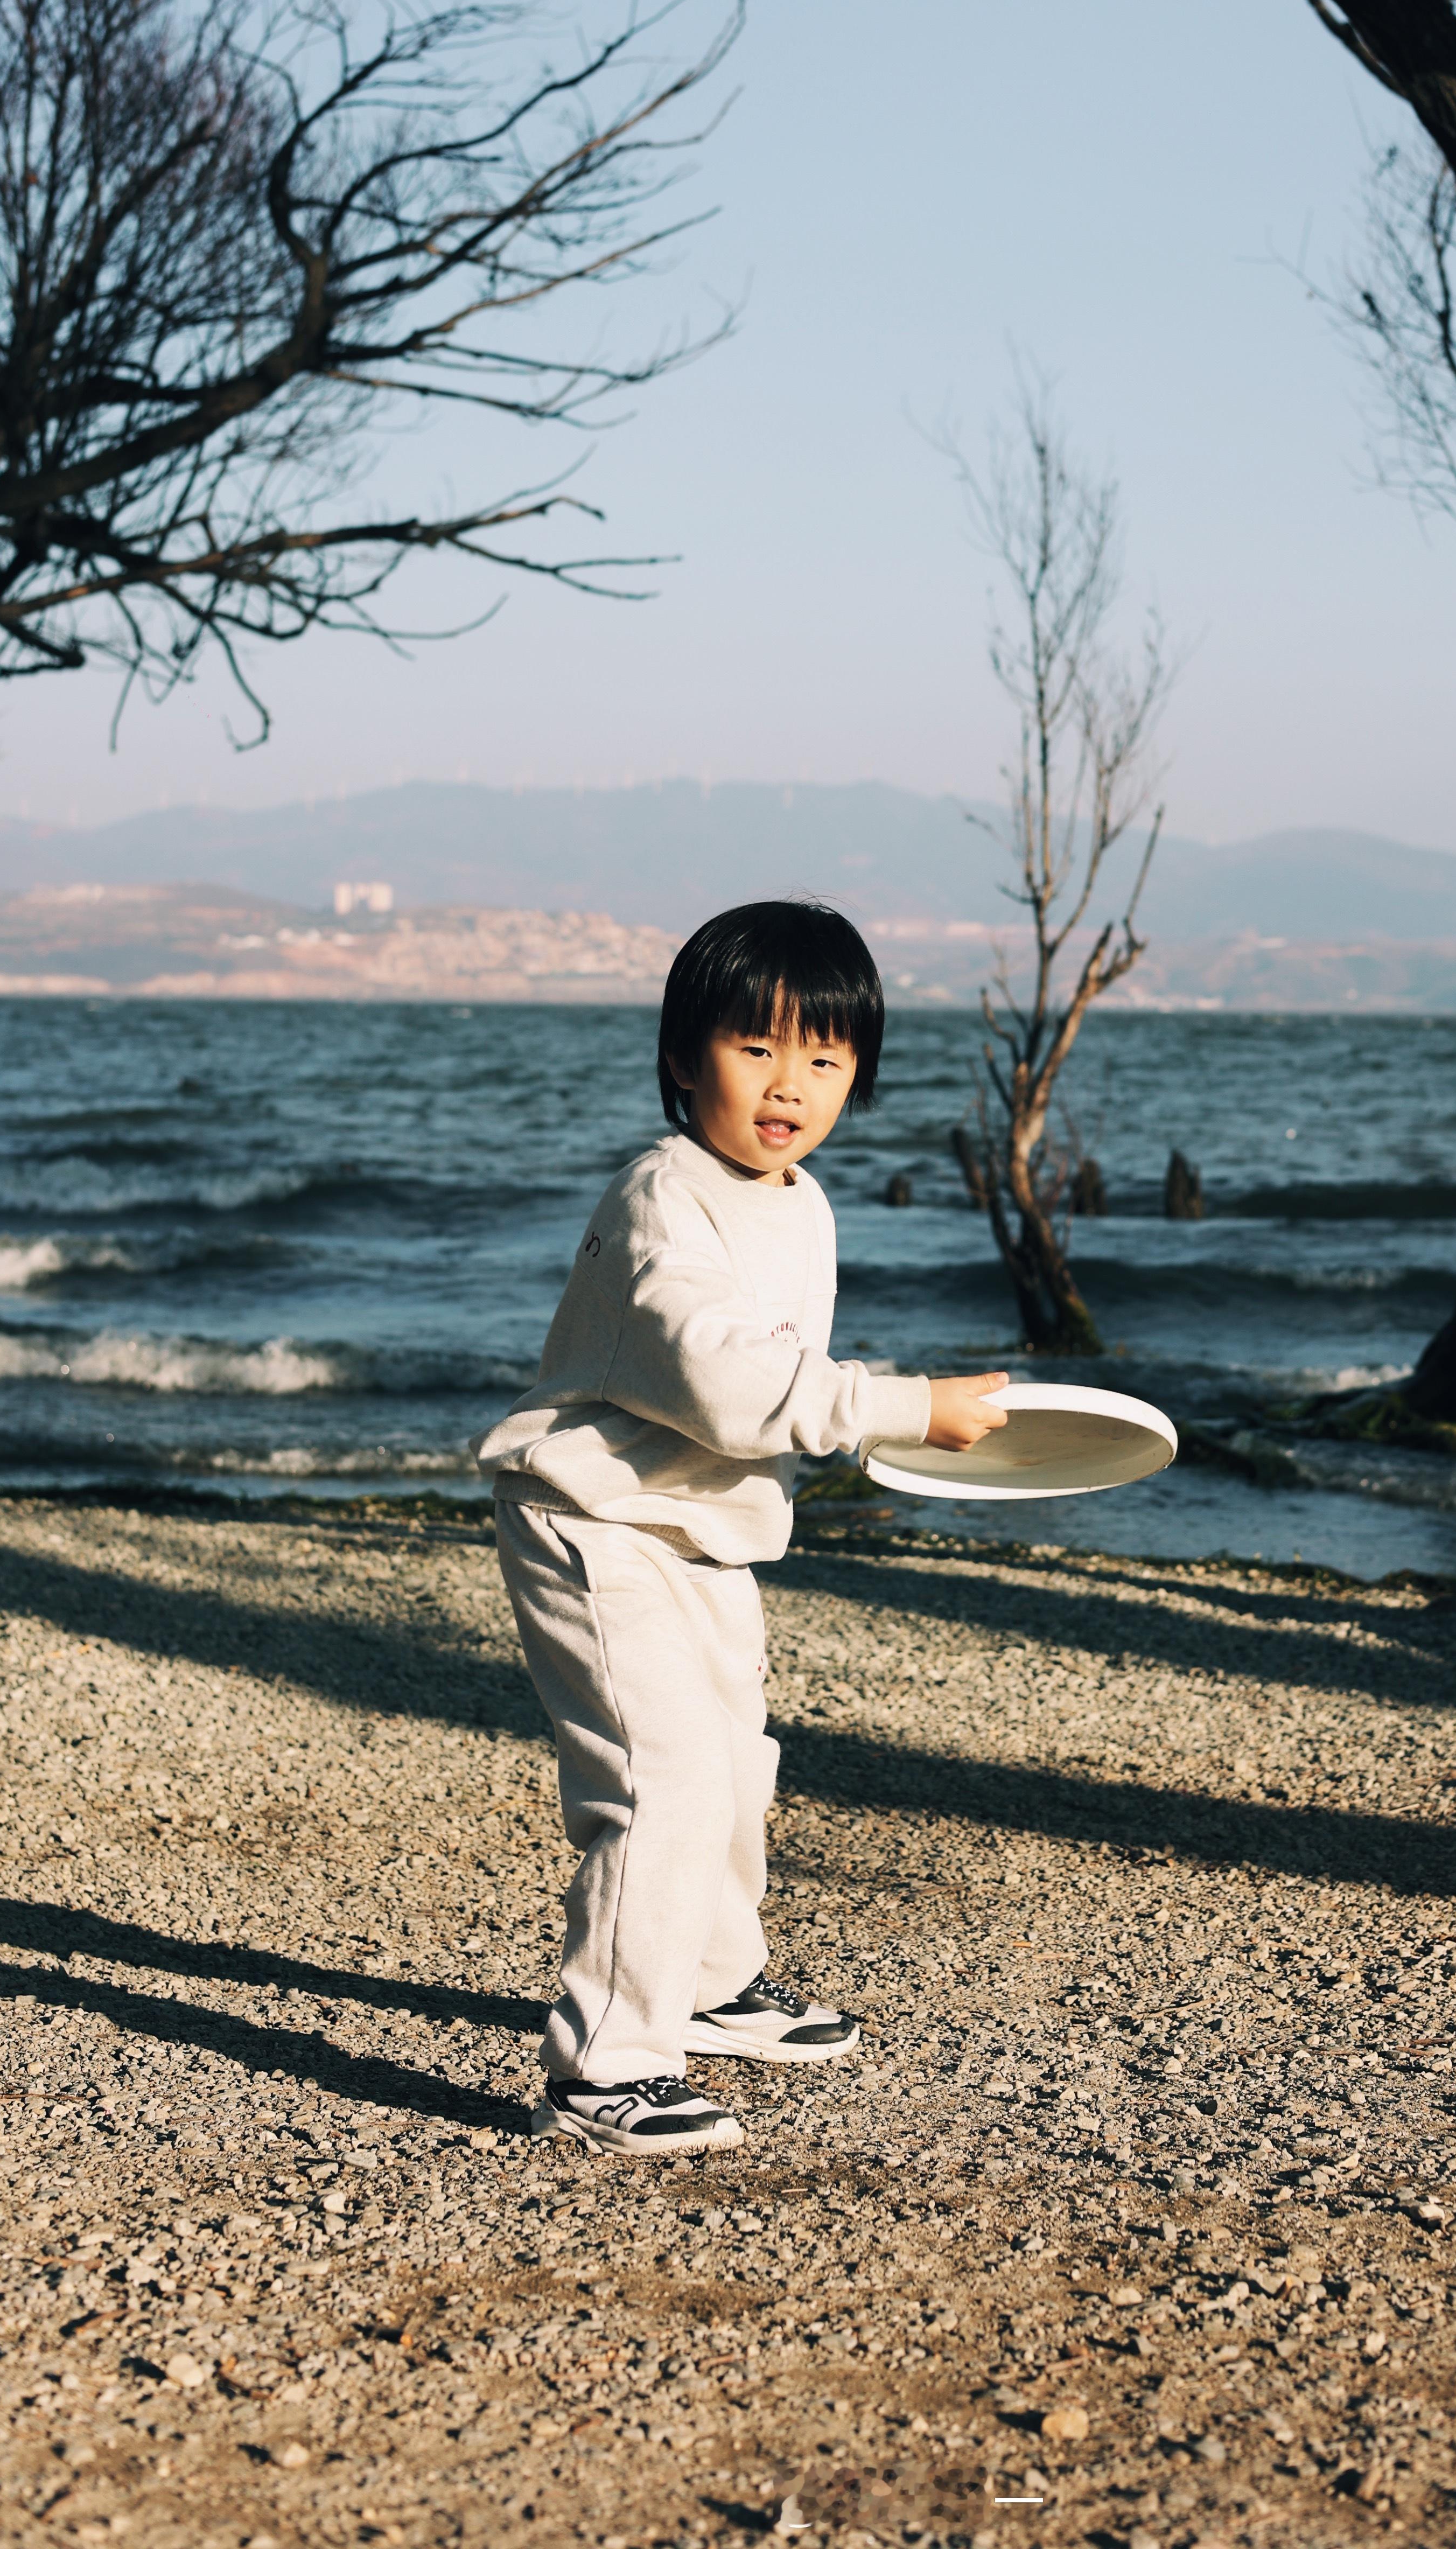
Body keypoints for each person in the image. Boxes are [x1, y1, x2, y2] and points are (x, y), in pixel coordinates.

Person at [475, 898, 1010, 2157]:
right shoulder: (664, 1195)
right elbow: (720, 1378)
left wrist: (884, 1399)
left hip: (710, 1527)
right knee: (658, 1781)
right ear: (681, 1056)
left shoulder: (803, 1202)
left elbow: (778, 1365)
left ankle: (711, 1985)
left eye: (824, 1059)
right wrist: (893, 1410)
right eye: (755, 1048)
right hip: (596, 1520)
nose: (790, 1085)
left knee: (731, 1768)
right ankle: (606, 2065)